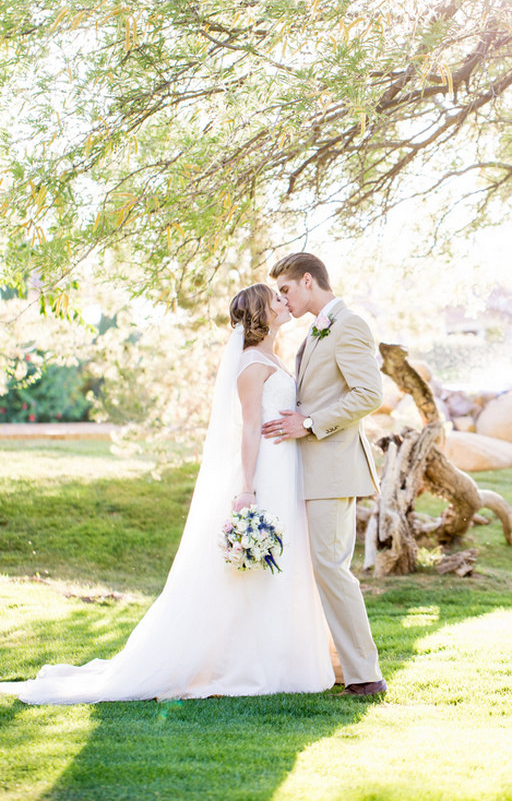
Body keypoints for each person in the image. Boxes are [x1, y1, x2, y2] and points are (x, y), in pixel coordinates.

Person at [0, 284, 334, 703]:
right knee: (254, 572)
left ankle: (281, 656)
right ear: (261, 316)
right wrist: (248, 489)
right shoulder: (251, 364)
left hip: (286, 468)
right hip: (266, 469)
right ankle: (248, 662)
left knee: (281, 563)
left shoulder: (273, 356)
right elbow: (249, 429)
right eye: (276, 300)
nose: (284, 303)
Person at [264, 252, 387, 697]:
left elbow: (369, 393)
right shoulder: (319, 330)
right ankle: (334, 666)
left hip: (334, 468)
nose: (283, 300)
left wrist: (310, 423)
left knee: (332, 569)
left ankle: (366, 675)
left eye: (286, 290)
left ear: (309, 280)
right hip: (312, 469)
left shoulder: (350, 324)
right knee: (322, 569)